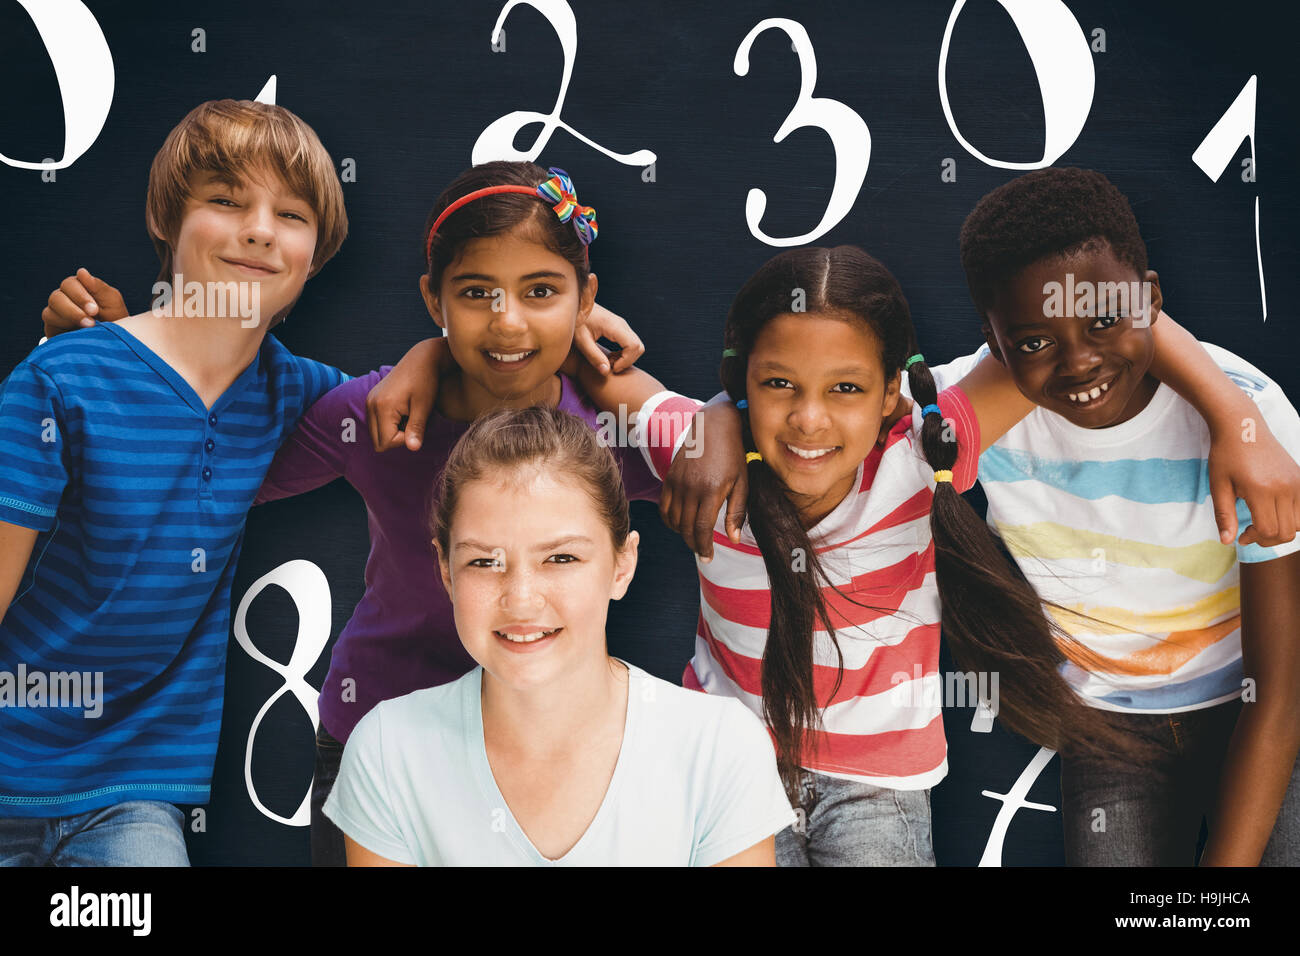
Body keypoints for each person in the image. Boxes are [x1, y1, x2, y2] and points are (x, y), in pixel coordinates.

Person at [40, 160, 738, 865]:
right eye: (475, 293)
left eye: (541, 292)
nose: (508, 321)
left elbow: (774, 439)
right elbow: (214, 452)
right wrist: (123, 349)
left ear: (585, 298)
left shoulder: (612, 431)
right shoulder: (383, 416)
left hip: (545, 749)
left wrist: (716, 422)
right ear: (433, 298)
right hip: (371, 733)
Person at [607, 244, 1300, 866]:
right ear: (742, 378)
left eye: (844, 388)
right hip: (733, 772)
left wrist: (1230, 412)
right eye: (776, 384)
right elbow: (594, 377)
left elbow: (1074, 329)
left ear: (889, 397)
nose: (809, 419)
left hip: (878, 788)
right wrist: (714, 416)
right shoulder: (700, 453)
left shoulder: (919, 454)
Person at [0, 98, 350, 866]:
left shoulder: (300, 395)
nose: (258, 228)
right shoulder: (61, 379)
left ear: (316, 255)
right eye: (225, 201)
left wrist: (632, 395)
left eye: (290, 214)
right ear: (167, 219)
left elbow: (429, 396)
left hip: (129, 797)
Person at [929, 166, 1300, 866]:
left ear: (1152, 301)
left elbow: (1280, 696)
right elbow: (832, 409)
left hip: (1255, 707)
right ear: (994, 341)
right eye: (1035, 341)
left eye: (1103, 320)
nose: (1079, 362)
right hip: (1108, 724)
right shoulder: (967, 415)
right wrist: (723, 420)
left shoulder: (1258, 429)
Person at [323, 405, 795, 866]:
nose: (522, 600)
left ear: (622, 565)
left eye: (561, 558)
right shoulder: (387, 751)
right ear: (446, 572)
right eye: (484, 562)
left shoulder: (719, 748)